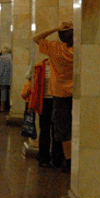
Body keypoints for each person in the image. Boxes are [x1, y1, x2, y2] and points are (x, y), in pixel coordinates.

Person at [34, 22, 74, 173]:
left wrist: (57, 27)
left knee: (63, 129)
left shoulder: (56, 49)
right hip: (77, 94)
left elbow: (36, 37)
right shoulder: (80, 50)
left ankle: (68, 162)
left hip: (59, 94)